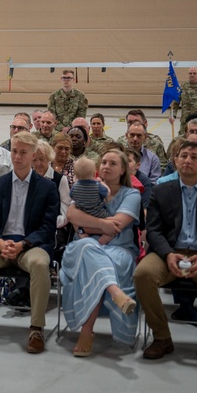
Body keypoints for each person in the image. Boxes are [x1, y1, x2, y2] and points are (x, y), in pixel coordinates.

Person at [134, 141, 197, 366]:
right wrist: (168, 254)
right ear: (175, 161)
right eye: (183, 156)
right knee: (142, 274)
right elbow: (154, 230)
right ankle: (162, 337)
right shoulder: (161, 191)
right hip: (168, 253)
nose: (187, 160)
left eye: (193, 157)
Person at [0, 132, 59, 354]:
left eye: (23, 152)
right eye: (14, 151)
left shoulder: (47, 187)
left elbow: (47, 227)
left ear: (33, 156)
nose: (17, 157)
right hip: (0, 245)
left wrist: (23, 244)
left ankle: (36, 328)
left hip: (31, 246)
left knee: (40, 265)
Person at [60, 149, 141, 356]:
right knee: (88, 249)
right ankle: (116, 293)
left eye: (113, 163)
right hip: (83, 248)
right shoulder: (88, 187)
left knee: (92, 255)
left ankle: (86, 332)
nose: (106, 166)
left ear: (124, 169)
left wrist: (88, 226)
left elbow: (118, 225)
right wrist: (103, 225)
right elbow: (71, 214)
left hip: (119, 249)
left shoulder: (131, 194)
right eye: (104, 162)